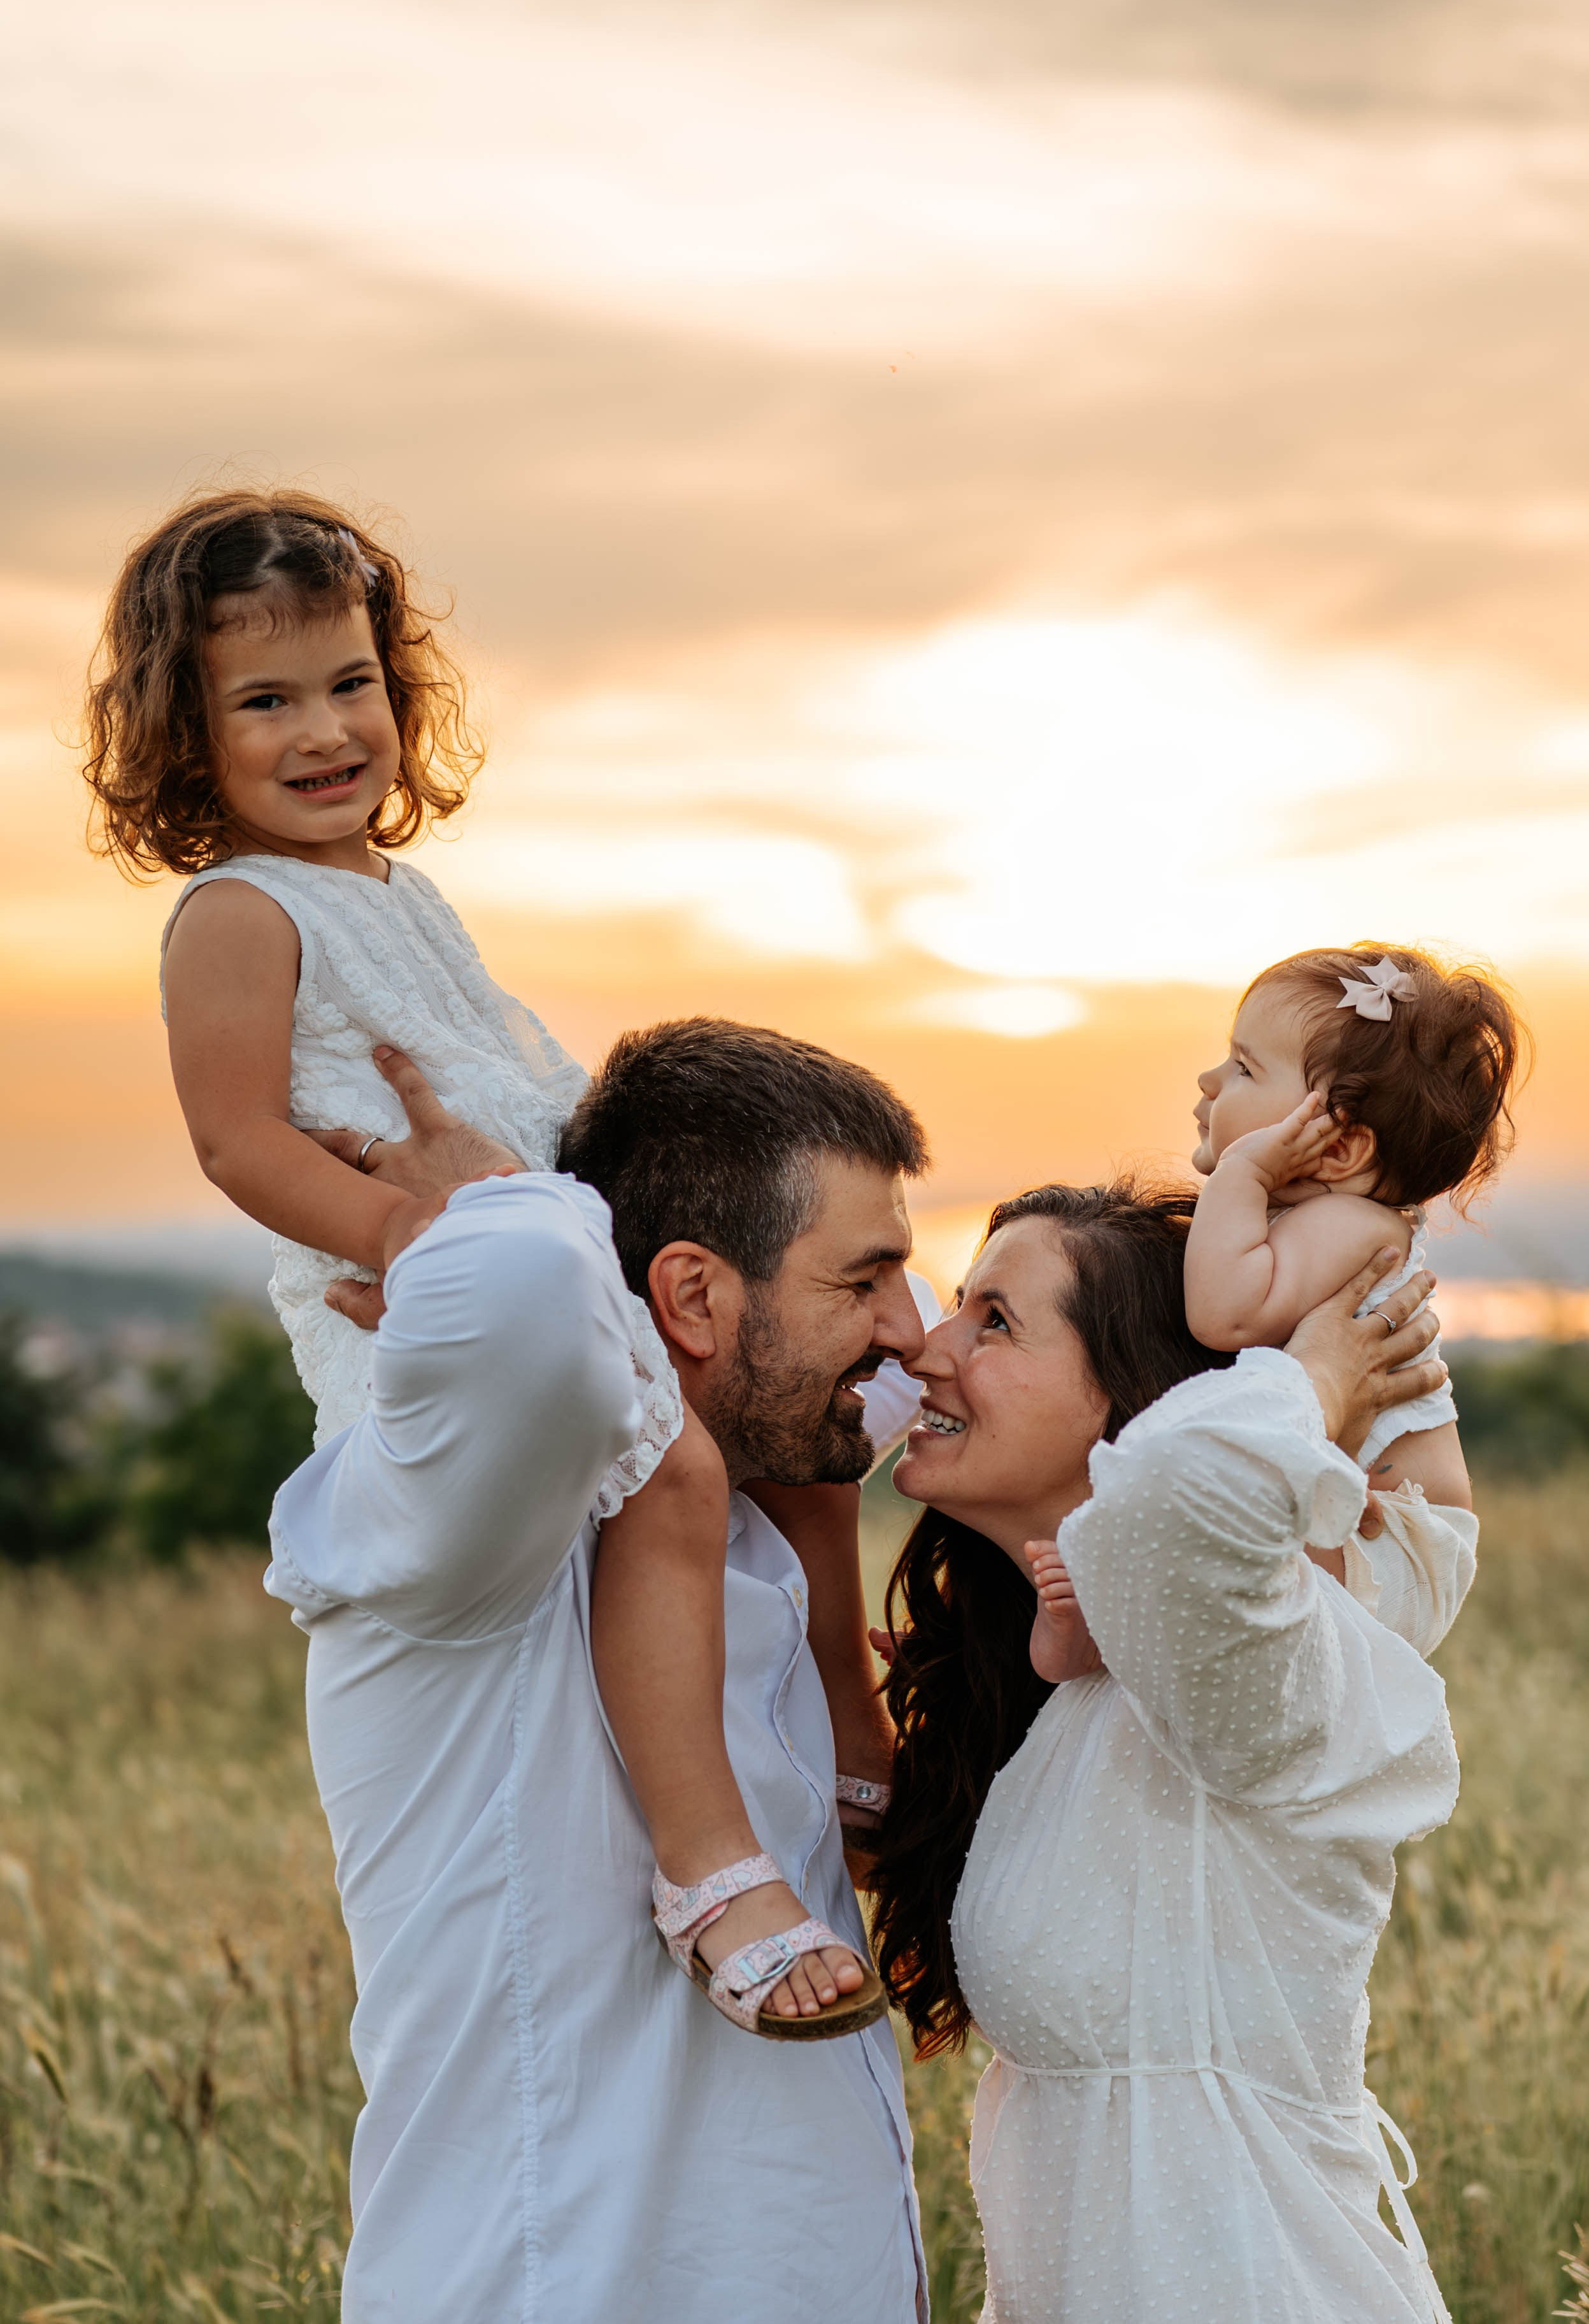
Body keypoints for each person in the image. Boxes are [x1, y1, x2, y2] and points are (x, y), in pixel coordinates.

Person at [82, 489, 885, 2031]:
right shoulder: (236, 915)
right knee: (677, 1481)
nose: (324, 729)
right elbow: (238, 1138)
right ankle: (708, 1867)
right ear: (185, 732)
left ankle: (854, 1733)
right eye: (265, 699)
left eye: (351, 683)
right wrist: (415, 1230)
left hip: (529, 1247)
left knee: (807, 1450)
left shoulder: (405, 895)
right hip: (422, 1302)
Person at [257, 1022, 934, 2322]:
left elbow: (993, 1371)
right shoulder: (475, 1546)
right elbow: (516, 1287)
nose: (904, 1324)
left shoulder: (755, 1520)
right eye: (865, 1278)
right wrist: (477, 1200)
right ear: (684, 1300)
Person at [869, 1180, 1458, 2322]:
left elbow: (1184, 1494)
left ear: (1129, 1407)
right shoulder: (1084, 1687)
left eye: (996, 1320)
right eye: (959, 1305)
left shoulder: (1242, 1661)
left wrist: (1313, 1375)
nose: (933, 1349)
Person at [1179, 943, 1521, 1652]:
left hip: (1391, 1540)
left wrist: (1238, 1172)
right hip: (1361, 1519)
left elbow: (1221, 1313)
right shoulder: (1320, 1224)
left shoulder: (1349, 1226)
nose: (1209, 1080)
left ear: (1337, 1152)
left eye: (1243, 1067)